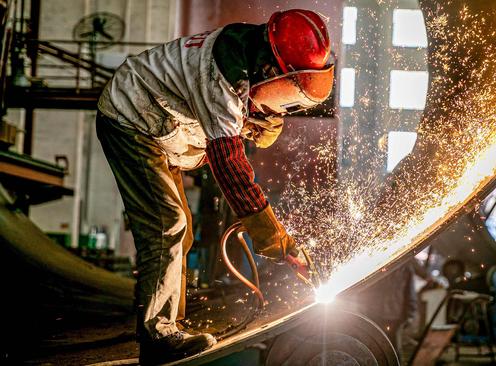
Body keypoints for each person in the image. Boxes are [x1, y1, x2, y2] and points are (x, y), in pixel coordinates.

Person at [96, 9, 332, 364]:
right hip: (131, 120)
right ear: (273, 68)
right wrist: (275, 239)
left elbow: (233, 109)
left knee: (179, 228)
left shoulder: (250, 48)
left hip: (160, 124)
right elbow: (229, 167)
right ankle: (158, 335)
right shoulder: (224, 79)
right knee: (167, 226)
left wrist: (254, 117)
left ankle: (167, 320)